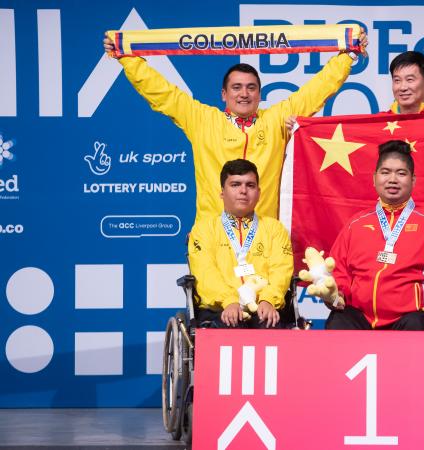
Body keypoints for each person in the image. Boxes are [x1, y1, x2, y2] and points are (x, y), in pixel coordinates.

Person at [103, 32, 367, 224]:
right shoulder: (202, 119)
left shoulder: (275, 120)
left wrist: (347, 55)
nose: (244, 94)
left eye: (251, 88)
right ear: (223, 94)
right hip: (213, 237)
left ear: (260, 94)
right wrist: (127, 58)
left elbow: (314, 91)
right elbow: (161, 92)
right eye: (236, 88)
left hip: (265, 240)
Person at [322, 140, 424, 331]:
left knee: (415, 325)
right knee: (338, 322)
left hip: (411, 318)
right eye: (385, 172)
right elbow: (339, 271)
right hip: (360, 316)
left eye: (401, 173)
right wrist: (336, 296)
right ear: (374, 178)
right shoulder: (355, 223)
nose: (392, 179)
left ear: (413, 180)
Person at [188, 159, 293, 328]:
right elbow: (205, 272)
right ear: (222, 192)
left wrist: (268, 299)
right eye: (235, 184)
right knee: (228, 327)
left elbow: (281, 269)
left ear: (258, 193)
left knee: (272, 327)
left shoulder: (275, 228)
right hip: (220, 309)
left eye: (250, 185)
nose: (243, 191)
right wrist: (229, 301)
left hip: (265, 309)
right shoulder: (203, 230)